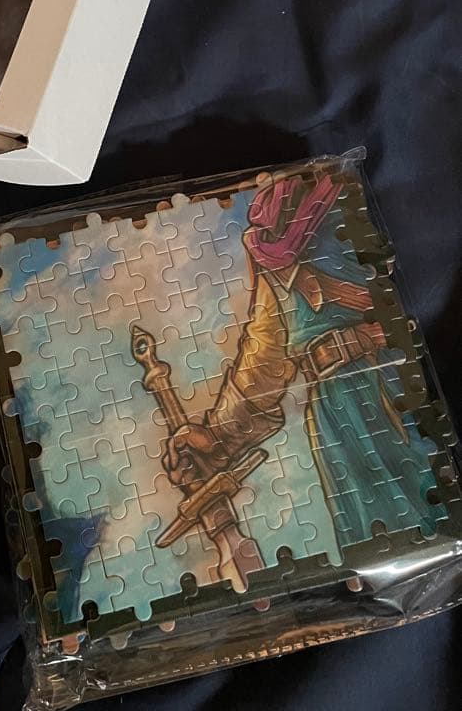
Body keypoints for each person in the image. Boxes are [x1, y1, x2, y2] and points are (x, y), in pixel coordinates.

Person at [162, 172, 442, 548]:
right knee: (386, 538)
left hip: (403, 378)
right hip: (342, 414)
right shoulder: (271, 233)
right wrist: (217, 438)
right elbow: (267, 346)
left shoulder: (350, 194)